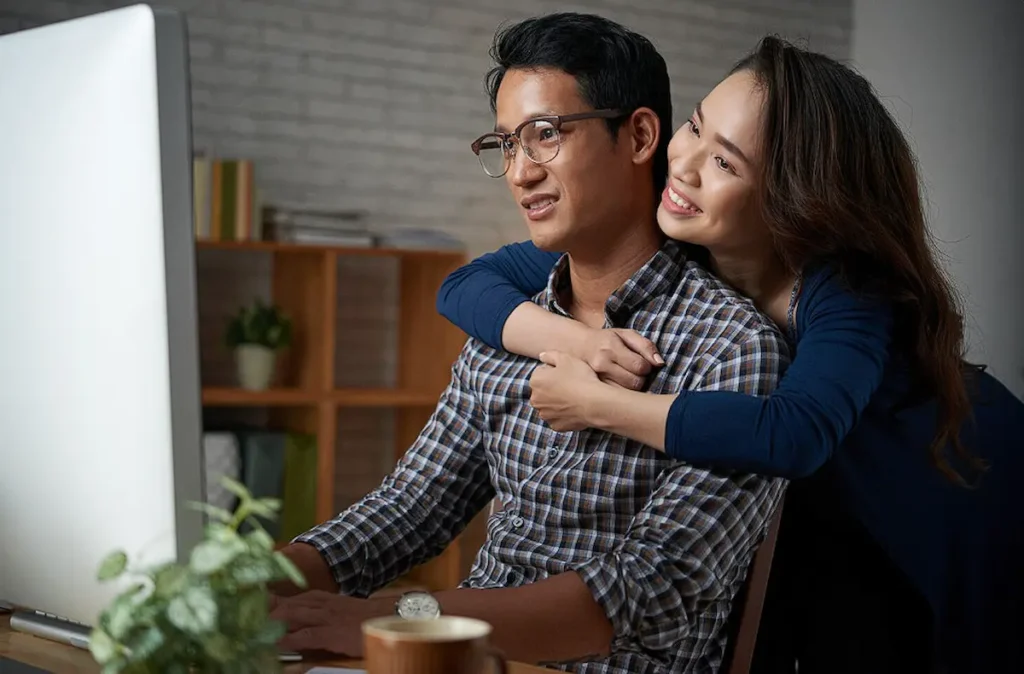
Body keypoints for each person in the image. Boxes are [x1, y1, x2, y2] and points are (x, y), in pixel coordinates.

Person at [434, 35, 1024, 673]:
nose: (683, 165)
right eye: (694, 126)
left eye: (725, 161)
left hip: (953, 476)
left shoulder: (847, 291)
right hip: (809, 486)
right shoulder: (677, 218)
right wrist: (579, 341)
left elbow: (793, 433)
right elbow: (466, 286)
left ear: (794, 195)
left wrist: (599, 404)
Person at [269, 14, 790, 674]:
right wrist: (245, 582)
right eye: (507, 144)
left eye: (545, 135)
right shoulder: (511, 327)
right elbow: (408, 510)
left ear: (638, 136)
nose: (519, 172)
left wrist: (401, 619)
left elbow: (647, 588)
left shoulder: (733, 348)